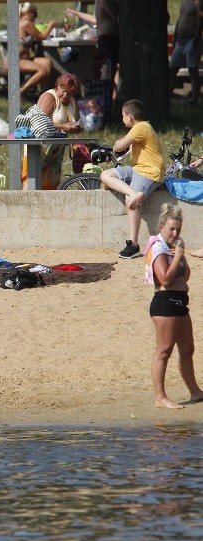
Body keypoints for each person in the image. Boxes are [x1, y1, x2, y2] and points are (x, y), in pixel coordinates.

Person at [143, 204, 203, 409]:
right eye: (171, 229)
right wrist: (177, 256)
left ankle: (195, 392)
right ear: (161, 227)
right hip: (165, 303)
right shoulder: (158, 247)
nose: (175, 233)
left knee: (187, 349)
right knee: (164, 350)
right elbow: (166, 280)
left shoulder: (173, 247)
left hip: (180, 303)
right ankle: (160, 397)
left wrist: (181, 255)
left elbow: (185, 276)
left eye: (178, 229)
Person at [100, 99, 166, 259]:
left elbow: (119, 147)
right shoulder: (142, 128)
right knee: (105, 175)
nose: (122, 118)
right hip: (138, 169)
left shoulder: (140, 127)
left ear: (129, 117)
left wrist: (116, 145)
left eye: (122, 115)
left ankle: (134, 245)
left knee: (131, 202)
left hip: (150, 171)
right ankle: (133, 192)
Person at [20, 74, 84, 190]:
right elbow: (38, 122)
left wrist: (77, 128)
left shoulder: (73, 102)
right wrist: (63, 126)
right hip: (40, 146)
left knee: (51, 182)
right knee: (34, 178)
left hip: (57, 148)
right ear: (57, 86)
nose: (65, 96)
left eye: (70, 93)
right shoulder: (49, 97)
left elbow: (77, 121)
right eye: (64, 91)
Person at [66, 0, 120, 110]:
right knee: (107, 73)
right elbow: (116, 18)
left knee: (111, 72)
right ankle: (104, 107)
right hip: (108, 39)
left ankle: (109, 103)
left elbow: (97, 19)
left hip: (110, 38)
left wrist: (77, 13)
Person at [15, 2, 56, 96]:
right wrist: (51, 25)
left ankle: (43, 94)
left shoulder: (19, 22)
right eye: (34, 14)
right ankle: (21, 90)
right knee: (43, 70)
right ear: (28, 13)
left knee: (47, 62)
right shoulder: (25, 23)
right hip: (17, 60)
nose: (35, 18)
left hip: (23, 58)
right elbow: (42, 36)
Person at [168, 0, 202, 105]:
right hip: (180, 40)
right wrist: (175, 36)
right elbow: (180, 18)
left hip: (191, 39)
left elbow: (200, 21)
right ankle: (167, 95)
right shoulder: (184, 2)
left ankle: (194, 98)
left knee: (193, 70)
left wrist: (195, 40)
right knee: (173, 69)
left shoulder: (198, 2)